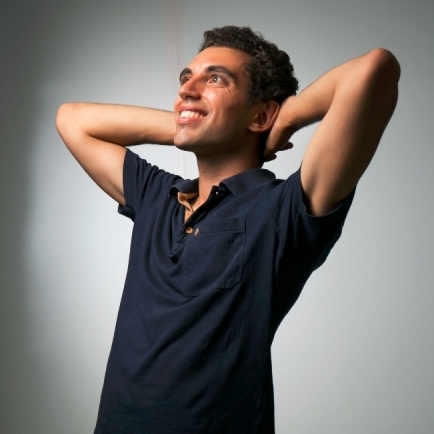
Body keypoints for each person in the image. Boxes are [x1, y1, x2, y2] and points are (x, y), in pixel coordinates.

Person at [56, 26, 400, 434]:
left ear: (261, 114)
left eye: (215, 79)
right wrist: (190, 122)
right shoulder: (156, 197)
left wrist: (286, 118)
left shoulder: (282, 210)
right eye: (186, 78)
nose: (187, 89)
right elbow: (72, 119)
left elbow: (374, 70)